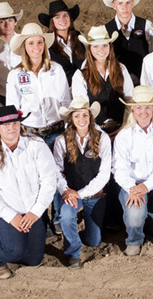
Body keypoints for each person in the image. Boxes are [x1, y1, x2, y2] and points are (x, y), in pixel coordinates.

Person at [0, 106, 57, 280]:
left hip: (33, 212)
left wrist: (35, 212)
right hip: (5, 213)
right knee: (14, 249)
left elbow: (49, 180)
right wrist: (11, 216)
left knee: (34, 259)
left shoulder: (37, 146)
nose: (11, 128)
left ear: (20, 124)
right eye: (5, 125)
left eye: (14, 123)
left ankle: (21, 247)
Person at [52, 99, 111, 270]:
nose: (81, 119)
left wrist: (82, 193)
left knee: (94, 241)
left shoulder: (103, 138)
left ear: (91, 117)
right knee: (66, 215)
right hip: (71, 193)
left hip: (94, 194)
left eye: (85, 114)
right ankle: (73, 253)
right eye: (76, 115)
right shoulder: (61, 141)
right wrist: (66, 190)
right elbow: (57, 171)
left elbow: (104, 174)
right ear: (71, 119)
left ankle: (82, 223)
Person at [113, 85, 153, 256]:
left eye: (147, 107)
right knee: (136, 215)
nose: (143, 112)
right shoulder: (124, 135)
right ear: (132, 110)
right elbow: (120, 168)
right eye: (138, 107)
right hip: (132, 187)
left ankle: (136, 216)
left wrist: (147, 186)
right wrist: (134, 189)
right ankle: (134, 240)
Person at [5, 23, 72, 147]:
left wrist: (68, 129)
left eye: (40, 42)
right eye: (31, 43)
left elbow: (66, 102)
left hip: (56, 132)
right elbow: (12, 108)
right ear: (24, 46)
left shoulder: (56, 69)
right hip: (29, 134)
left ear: (44, 45)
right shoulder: (15, 75)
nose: (36, 46)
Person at [73, 25, 134, 134]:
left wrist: (124, 128)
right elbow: (83, 109)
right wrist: (97, 132)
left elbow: (130, 101)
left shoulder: (121, 69)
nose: (101, 50)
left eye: (105, 45)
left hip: (122, 130)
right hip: (95, 131)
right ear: (90, 49)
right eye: (96, 46)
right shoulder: (80, 75)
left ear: (110, 47)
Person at [103, 0, 153, 84]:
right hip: (116, 84)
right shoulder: (105, 30)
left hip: (143, 83)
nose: (124, 7)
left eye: (127, 3)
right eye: (120, 3)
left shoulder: (146, 26)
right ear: (114, 5)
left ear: (133, 3)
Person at [39, 0, 84, 84]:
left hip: (85, 90)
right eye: (57, 17)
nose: (62, 19)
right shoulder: (47, 45)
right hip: (62, 93)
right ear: (52, 22)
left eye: (65, 15)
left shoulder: (80, 37)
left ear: (70, 18)